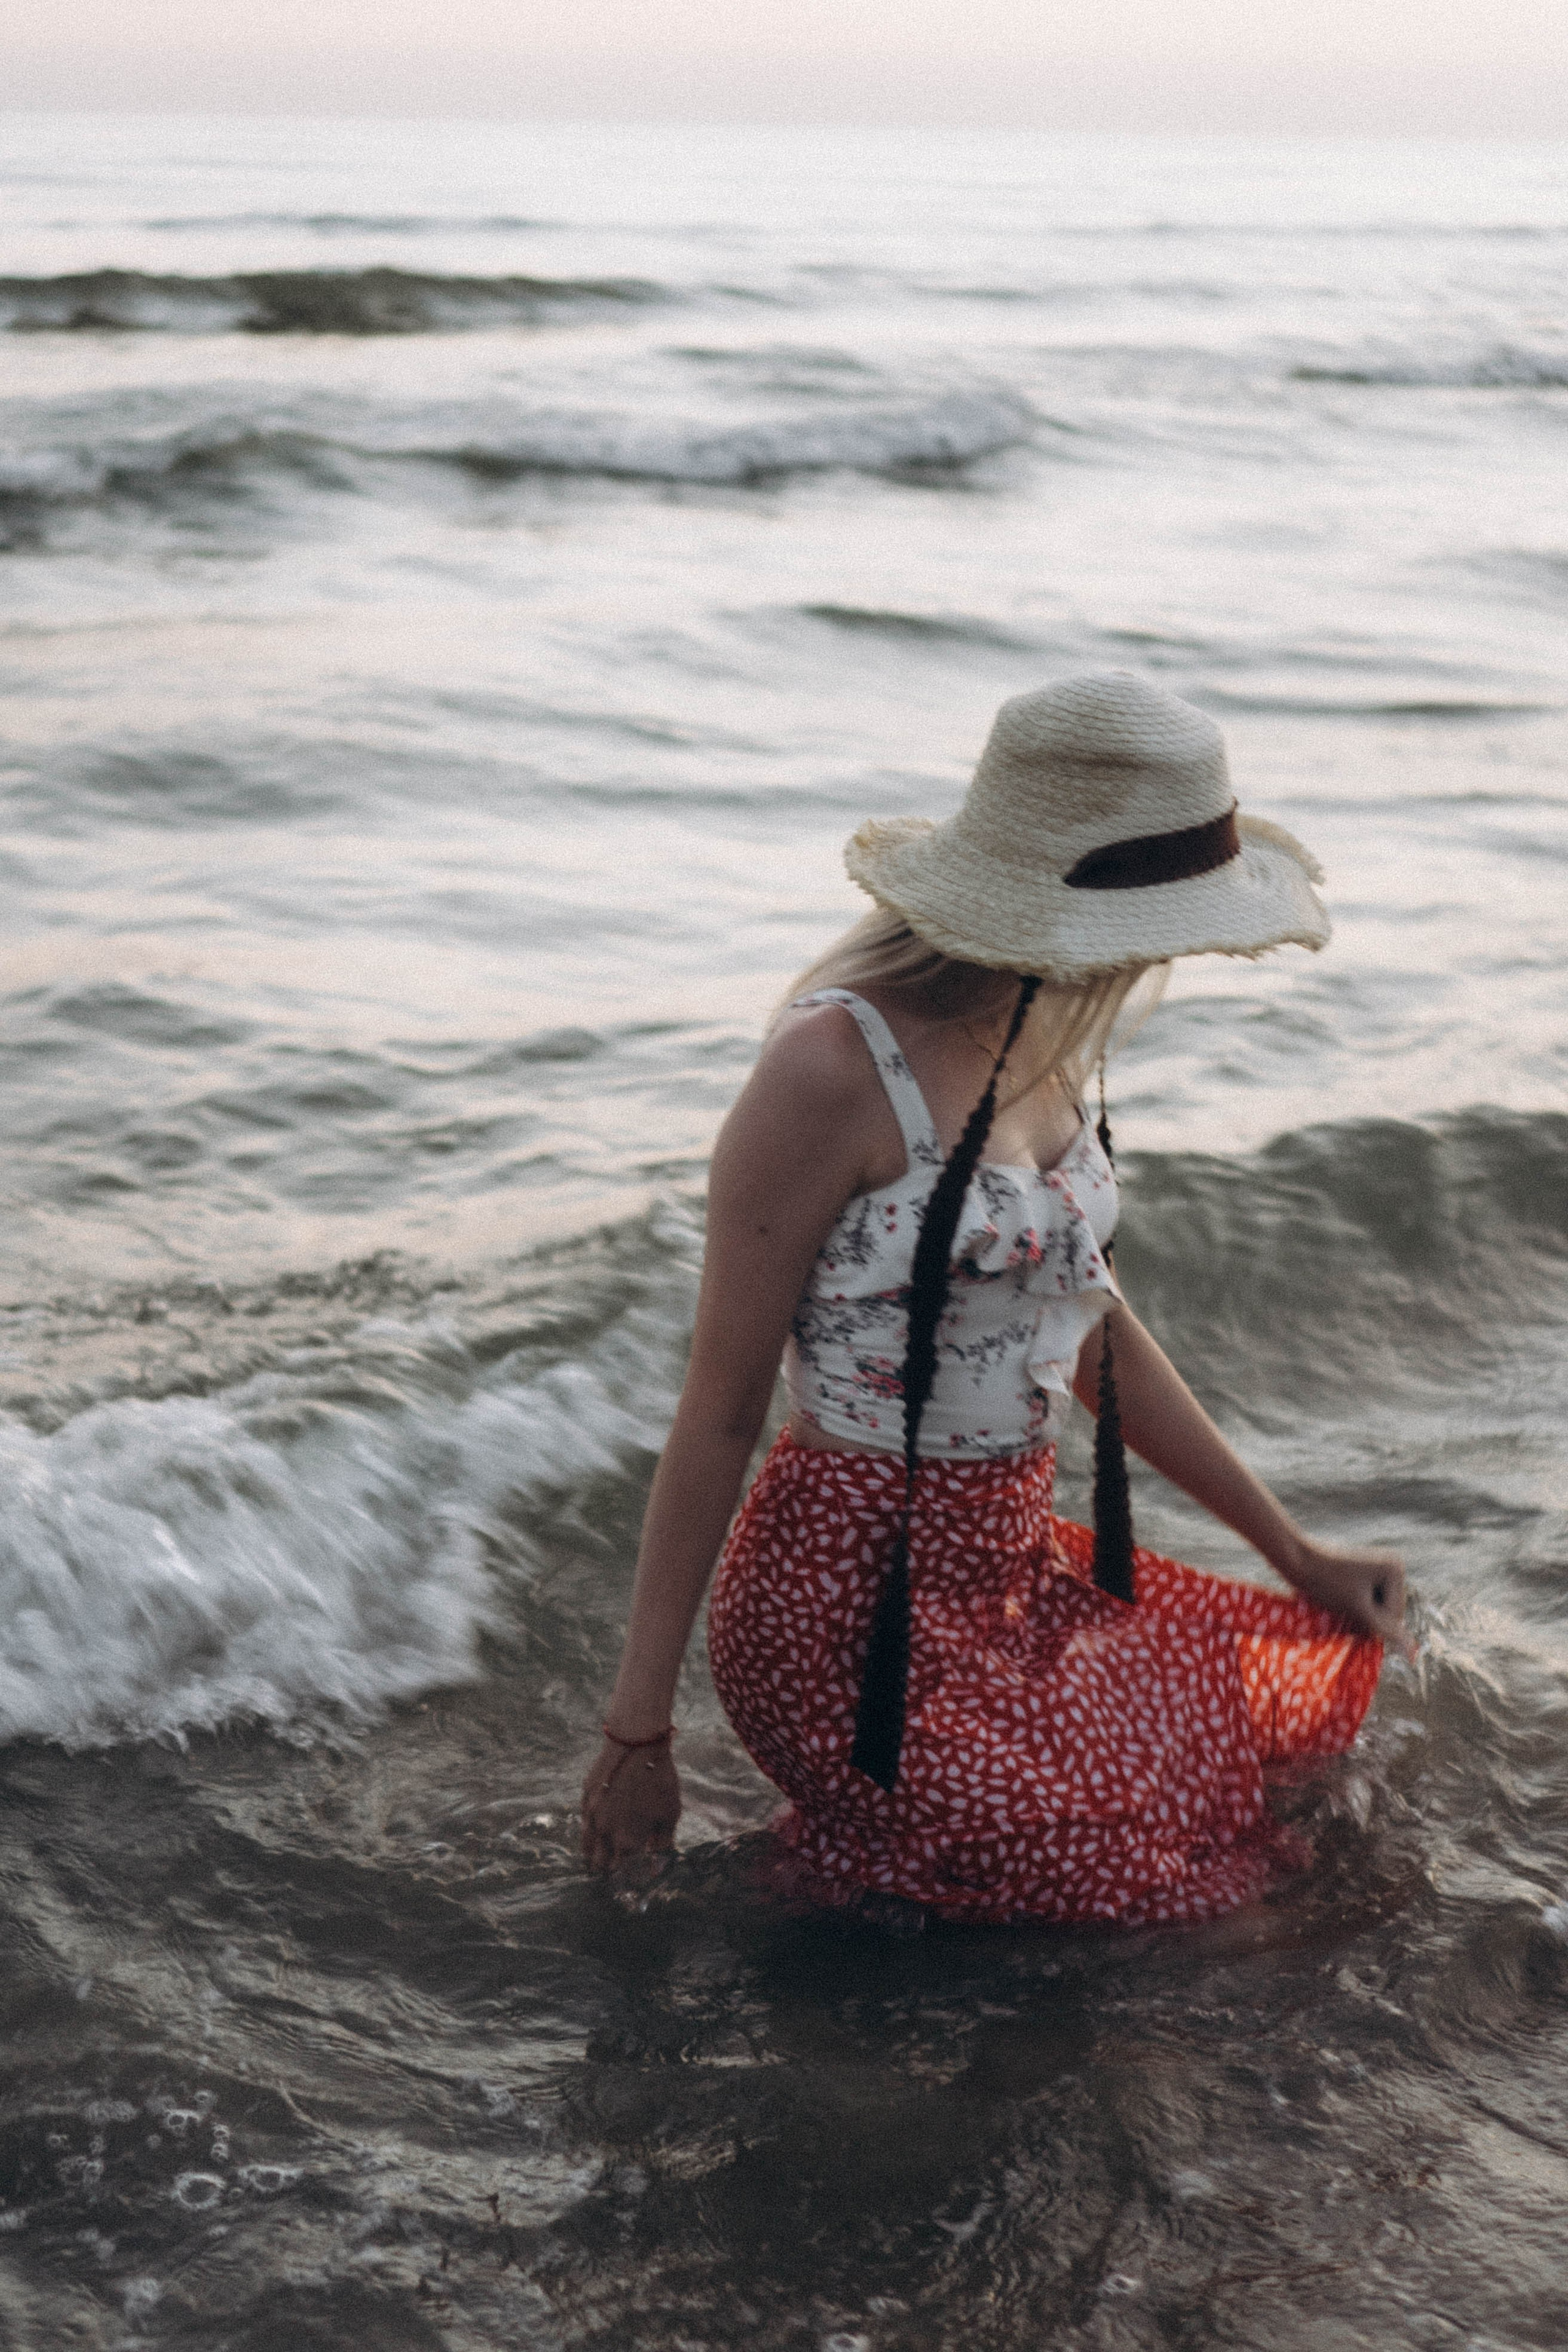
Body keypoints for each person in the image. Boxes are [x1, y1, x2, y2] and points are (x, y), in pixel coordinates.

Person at [581, 672, 1407, 1924]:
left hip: (1007, 1571)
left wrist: (1290, 1550)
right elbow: (716, 1408)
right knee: (1140, 1897)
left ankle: (836, 1915)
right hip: (839, 1610)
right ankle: (812, 1919)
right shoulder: (829, 1070)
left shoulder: (1050, 1044)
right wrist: (637, 1730)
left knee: (1269, 1772)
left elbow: (1086, 1328)